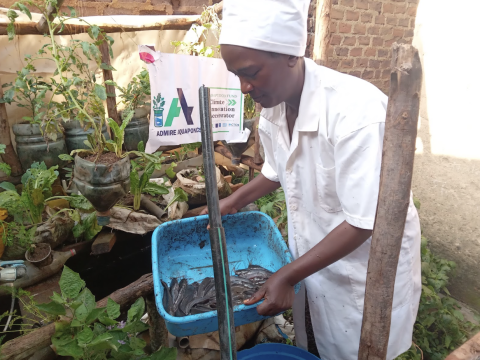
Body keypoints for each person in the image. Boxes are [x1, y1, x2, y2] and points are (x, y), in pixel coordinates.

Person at [201, 0, 422, 359]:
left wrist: (287, 275)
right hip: (314, 260)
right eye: (237, 75)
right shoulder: (274, 105)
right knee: (315, 343)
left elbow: (365, 221)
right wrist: (232, 202)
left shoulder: (357, 114)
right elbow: (276, 170)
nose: (244, 87)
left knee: (361, 350)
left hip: (361, 274)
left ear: (290, 54)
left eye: (251, 72)